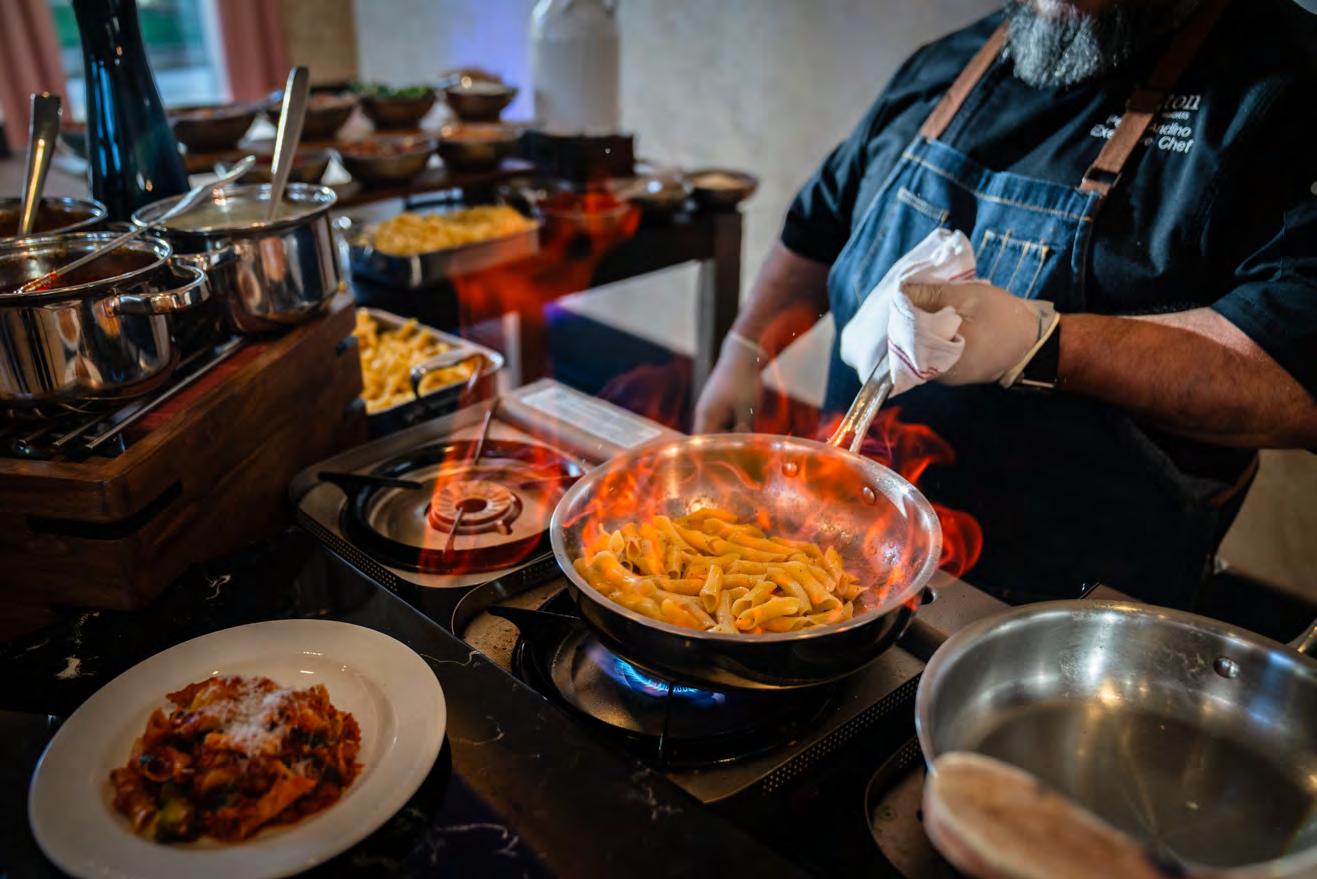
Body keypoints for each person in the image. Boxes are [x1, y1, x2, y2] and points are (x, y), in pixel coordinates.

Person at [694, 0, 1317, 607]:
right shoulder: (948, 66)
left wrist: (1038, 342)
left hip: (1067, 619)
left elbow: (1293, 374)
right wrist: (745, 350)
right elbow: (819, 226)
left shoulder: (1285, 84)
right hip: (841, 568)